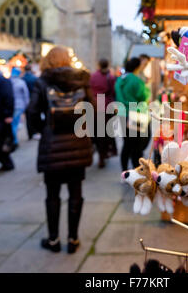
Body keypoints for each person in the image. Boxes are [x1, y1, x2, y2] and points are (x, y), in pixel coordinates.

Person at [27, 46, 94, 254]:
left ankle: (54, 239)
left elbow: (31, 111)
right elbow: (91, 110)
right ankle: (73, 239)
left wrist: (42, 129)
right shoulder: (81, 81)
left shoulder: (42, 82)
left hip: (52, 143)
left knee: (52, 194)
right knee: (76, 192)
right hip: (77, 142)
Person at [115, 57, 151, 171]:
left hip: (122, 113)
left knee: (126, 144)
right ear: (137, 67)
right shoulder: (136, 80)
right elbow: (143, 96)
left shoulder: (120, 79)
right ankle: (137, 169)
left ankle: (124, 171)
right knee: (137, 145)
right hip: (135, 114)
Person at [89, 58, 117, 168]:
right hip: (106, 106)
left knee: (95, 132)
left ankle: (97, 154)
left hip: (94, 105)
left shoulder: (93, 76)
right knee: (105, 133)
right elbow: (113, 92)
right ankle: (103, 154)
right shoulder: (110, 77)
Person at [10, 67, 30, 148]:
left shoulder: (8, 82)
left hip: (11, 106)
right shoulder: (21, 82)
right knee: (15, 123)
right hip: (19, 105)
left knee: (13, 123)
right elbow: (26, 95)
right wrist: (27, 105)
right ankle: (14, 140)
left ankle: (13, 139)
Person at [22, 64, 39, 140]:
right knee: (35, 116)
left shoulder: (22, 78)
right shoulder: (34, 78)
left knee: (28, 118)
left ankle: (30, 133)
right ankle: (35, 132)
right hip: (34, 99)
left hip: (25, 100)